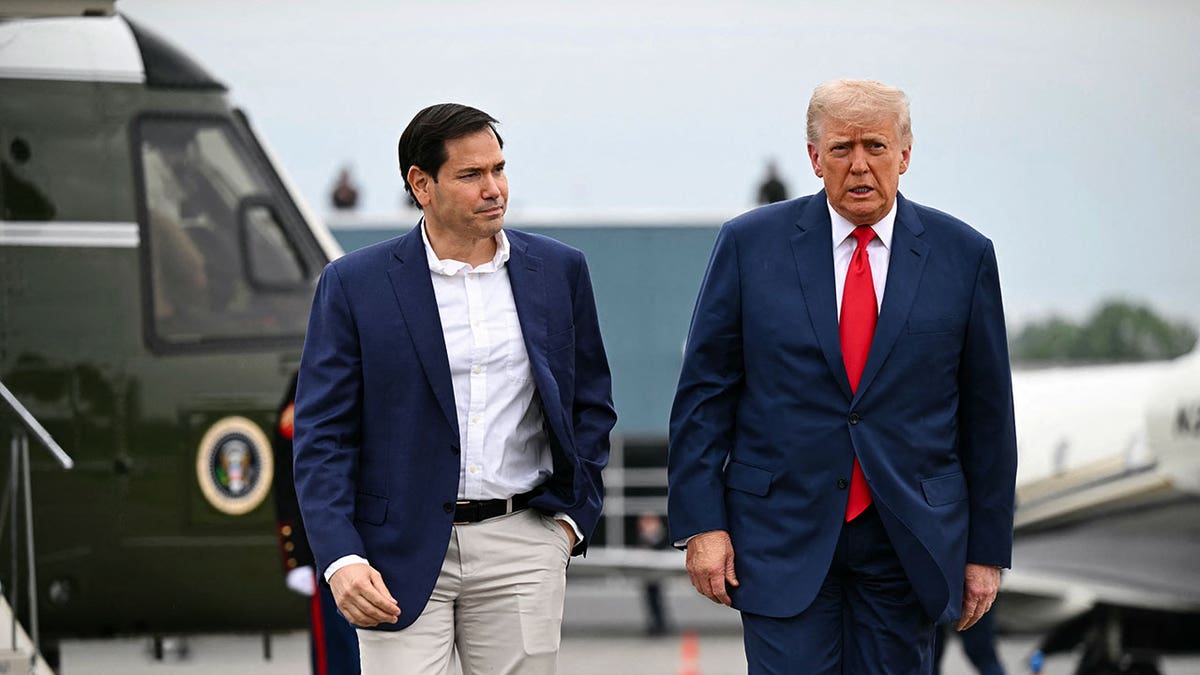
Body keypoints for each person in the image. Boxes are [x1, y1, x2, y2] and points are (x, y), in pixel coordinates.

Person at [667, 79, 1017, 673]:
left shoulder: (964, 256)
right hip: (780, 533)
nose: (860, 166)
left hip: (908, 537)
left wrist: (986, 551)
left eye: (876, 147)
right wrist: (701, 524)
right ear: (813, 157)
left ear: (905, 154)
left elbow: (988, 416)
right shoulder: (748, 246)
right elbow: (704, 396)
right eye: (841, 148)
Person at [293, 103, 617, 675]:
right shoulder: (354, 285)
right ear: (422, 184)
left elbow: (590, 405)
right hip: (395, 553)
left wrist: (568, 526)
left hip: (525, 544)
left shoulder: (560, 270)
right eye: (471, 175)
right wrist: (340, 556)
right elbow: (322, 436)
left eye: (498, 169)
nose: (494, 188)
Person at [271, 375, 361, 675]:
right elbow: (291, 467)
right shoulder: (318, 371)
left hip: (392, 537)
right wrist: (296, 553)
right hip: (334, 543)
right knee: (339, 658)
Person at [635, 512, 672, 637]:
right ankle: (654, 625)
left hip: (657, 574)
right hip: (648, 575)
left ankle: (661, 625)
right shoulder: (642, 536)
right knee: (651, 601)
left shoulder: (661, 536)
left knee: (657, 600)